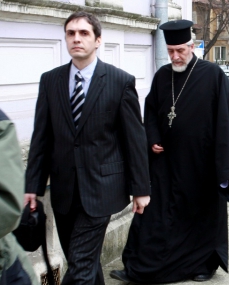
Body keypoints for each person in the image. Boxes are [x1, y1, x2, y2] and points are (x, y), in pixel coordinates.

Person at [110, 20, 229, 283]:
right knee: (154, 214)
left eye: (180, 50)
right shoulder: (163, 75)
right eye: (171, 51)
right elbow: (151, 110)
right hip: (165, 161)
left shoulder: (212, 75)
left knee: (199, 217)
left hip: (201, 164)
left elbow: (227, 120)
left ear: (192, 46)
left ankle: (202, 265)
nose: (175, 56)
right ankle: (140, 266)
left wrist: (224, 164)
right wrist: (152, 137)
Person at [24, 11, 151, 284]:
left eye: (83, 33)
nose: (76, 39)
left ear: (98, 40)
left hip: (103, 189)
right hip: (64, 189)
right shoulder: (51, 80)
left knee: (80, 264)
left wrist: (141, 189)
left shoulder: (120, 81)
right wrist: (33, 187)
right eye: (71, 33)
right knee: (83, 260)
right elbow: (41, 139)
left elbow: (134, 140)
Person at [0, 109, 39, 284]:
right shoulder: (51, 81)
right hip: (65, 193)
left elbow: (7, 206)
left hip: (101, 192)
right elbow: (43, 135)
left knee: (82, 261)